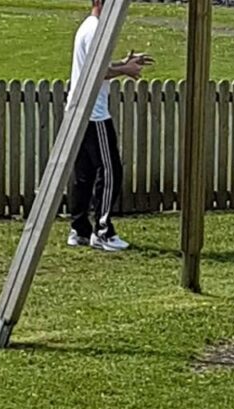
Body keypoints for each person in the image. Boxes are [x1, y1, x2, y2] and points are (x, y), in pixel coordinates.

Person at [66, 0, 154, 252]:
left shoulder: (88, 26)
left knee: (83, 175)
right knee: (110, 170)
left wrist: (122, 63)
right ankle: (103, 231)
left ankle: (79, 229)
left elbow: (97, 66)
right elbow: (96, 72)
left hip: (78, 110)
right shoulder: (96, 29)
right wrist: (126, 69)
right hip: (94, 113)